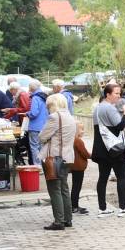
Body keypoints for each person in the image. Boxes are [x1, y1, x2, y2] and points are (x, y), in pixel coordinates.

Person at [92, 82, 125, 216]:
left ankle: (102, 208)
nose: (119, 96)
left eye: (120, 93)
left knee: (102, 178)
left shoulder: (97, 108)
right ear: (108, 94)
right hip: (113, 149)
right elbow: (120, 126)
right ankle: (122, 208)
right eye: (116, 93)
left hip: (101, 148)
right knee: (122, 176)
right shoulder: (109, 108)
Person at [42, 92, 76, 231]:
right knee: (64, 188)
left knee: (54, 190)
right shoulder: (70, 117)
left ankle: (59, 221)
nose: (48, 108)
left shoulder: (54, 117)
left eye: (48, 105)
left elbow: (41, 137)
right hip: (67, 157)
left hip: (54, 158)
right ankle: (68, 219)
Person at [23, 79, 49, 166]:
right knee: (41, 146)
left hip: (35, 126)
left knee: (34, 147)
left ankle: (38, 166)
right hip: (44, 125)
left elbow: (34, 113)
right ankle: (43, 164)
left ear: (31, 88)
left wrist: (27, 113)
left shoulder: (35, 97)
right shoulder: (45, 96)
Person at [69, 126, 91, 215]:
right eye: (81, 129)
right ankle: (74, 206)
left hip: (74, 166)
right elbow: (85, 153)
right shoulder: (78, 140)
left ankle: (74, 205)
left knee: (75, 186)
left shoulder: (71, 139)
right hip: (78, 166)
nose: (83, 131)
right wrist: (92, 155)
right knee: (77, 187)